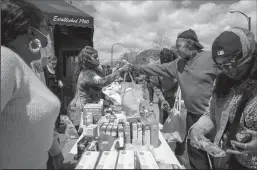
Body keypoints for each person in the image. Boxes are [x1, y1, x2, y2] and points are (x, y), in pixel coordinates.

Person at [131, 29, 219, 169]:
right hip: (192, 116)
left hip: (212, 118)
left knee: (215, 155)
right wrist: (134, 67)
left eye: (178, 45)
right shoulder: (178, 64)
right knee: (195, 153)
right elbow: (158, 69)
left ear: (190, 44)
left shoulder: (210, 59)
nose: (175, 49)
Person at [1, 0, 63, 169]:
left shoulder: (32, 69)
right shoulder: (5, 59)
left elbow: (35, 117)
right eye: (46, 29)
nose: (48, 36)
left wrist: (55, 150)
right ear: (31, 32)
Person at [189, 27, 257, 169]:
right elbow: (211, 114)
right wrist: (197, 129)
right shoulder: (222, 82)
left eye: (231, 63)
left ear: (247, 54)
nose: (227, 70)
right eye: (220, 66)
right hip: (230, 160)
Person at [67, 46, 130, 130]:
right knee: (87, 136)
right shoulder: (87, 74)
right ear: (87, 59)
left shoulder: (91, 72)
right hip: (80, 113)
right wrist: (120, 70)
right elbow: (103, 82)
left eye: (97, 56)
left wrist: (107, 98)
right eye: (95, 57)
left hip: (88, 111)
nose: (98, 59)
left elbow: (96, 90)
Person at [148, 48, 179, 124]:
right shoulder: (155, 68)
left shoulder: (178, 65)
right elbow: (155, 86)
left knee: (177, 123)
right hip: (164, 98)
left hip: (177, 98)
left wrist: (177, 97)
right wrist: (162, 99)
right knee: (164, 123)